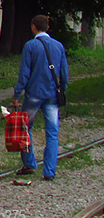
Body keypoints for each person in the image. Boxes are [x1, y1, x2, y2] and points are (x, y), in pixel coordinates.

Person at [12, 14, 69, 181]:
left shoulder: (30, 46)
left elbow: (24, 73)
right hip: (52, 94)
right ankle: (49, 171)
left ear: (33, 27)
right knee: (52, 132)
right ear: (48, 28)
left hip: (34, 94)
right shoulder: (58, 46)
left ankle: (29, 163)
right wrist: (62, 88)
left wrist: (17, 93)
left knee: (25, 128)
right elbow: (64, 72)